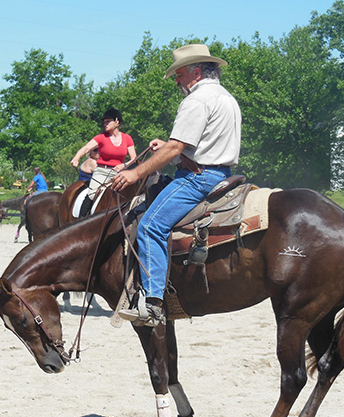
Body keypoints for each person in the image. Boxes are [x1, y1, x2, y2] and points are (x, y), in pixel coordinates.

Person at [112, 43, 242, 327]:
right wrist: (172, 149)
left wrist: (135, 174)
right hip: (221, 174)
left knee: (149, 226)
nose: (176, 81)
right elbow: (196, 146)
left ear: (196, 72)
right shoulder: (226, 98)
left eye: (179, 74)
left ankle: (153, 303)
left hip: (198, 179)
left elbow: (175, 148)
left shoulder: (196, 100)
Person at [70, 108, 136, 214]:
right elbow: (86, 148)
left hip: (120, 173)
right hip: (102, 172)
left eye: (108, 121)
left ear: (117, 122)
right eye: (104, 122)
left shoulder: (127, 138)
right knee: (92, 195)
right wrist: (76, 158)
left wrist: (123, 165)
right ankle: (83, 219)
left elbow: (134, 159)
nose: (105, 124)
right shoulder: (101, 138)